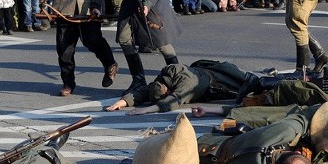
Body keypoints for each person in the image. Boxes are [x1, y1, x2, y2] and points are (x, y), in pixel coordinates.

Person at [105, 60, 247, 115]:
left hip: (222, 80)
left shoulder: (187, 83)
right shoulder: (164, 80)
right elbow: (144, 91)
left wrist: (144, 110)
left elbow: (174, 100)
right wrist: (121, 102)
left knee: (252, 85)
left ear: (167, 91)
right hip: (210, 74)